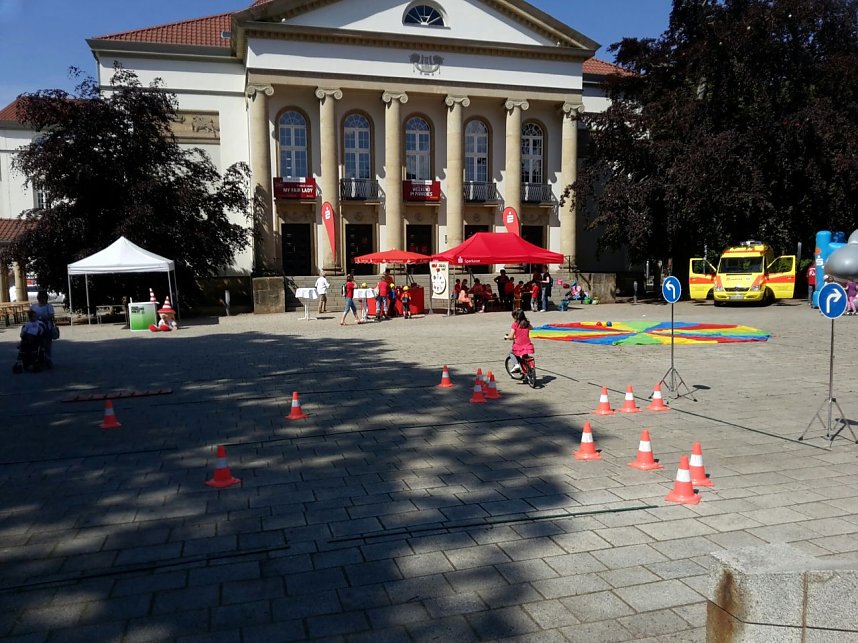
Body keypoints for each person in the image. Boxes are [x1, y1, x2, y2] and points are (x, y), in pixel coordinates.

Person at [506, 309, 535, 374]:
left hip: (519, 345)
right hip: (527, 344)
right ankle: (527, 370)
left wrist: (507, 337)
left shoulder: (515, 324)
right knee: (525, 356)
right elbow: (532, 328)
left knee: (511, 353)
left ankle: (516, 365)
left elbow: (511, 336)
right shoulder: (527, 323)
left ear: (515, 317)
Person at [31, 290, 56, 363]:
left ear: (45, 298)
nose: (41, 299)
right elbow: (30, 315)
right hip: (35, 325)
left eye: (43, 298)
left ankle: (48, 357)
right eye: (40, 297)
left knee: (47, 342)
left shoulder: (49, 306)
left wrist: (42, 317)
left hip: (45, 324)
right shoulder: (34, 306)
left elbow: (51, 315)